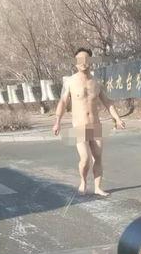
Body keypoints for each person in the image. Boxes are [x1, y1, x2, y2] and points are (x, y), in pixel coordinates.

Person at [53, 48, 125, 197]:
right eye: (79, 60)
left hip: (95, 125)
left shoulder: (96, 82)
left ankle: (98, 188)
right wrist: (57, 121)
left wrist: (117, 118)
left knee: (98, 157)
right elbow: (63, 102)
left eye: (86, 59)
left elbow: (108, 102)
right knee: (85, 159)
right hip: (79, 126)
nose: (83, 63)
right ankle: (83, 181)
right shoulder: (70, 82)